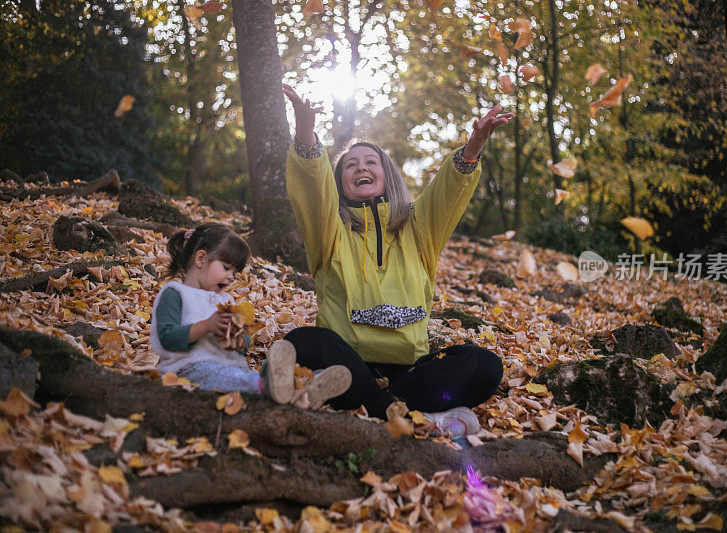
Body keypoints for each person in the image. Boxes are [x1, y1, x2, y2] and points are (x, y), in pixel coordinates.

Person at [282, 84, 513, 436]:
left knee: (484, 365)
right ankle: (408, 417)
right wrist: (305, 134)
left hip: (410, 372)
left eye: (371, 162)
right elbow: (313, 193)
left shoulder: (418, 230)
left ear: (385, 175)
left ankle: (380, 406)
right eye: (351, 165)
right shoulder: (329, 232)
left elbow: (445, 194)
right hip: (347, 360)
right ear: (339, 182)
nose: (362, 168)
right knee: (301, 343)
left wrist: (473, 147)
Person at [150, 222, 351, 407]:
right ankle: (282, 389)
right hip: (188, 370)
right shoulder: (176, 293)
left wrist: (237, 337)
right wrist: (206, 327)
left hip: (232, 367)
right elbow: (167, 338)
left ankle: (300, 385)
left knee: (249, 374)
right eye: (226, 268)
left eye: (235, 273)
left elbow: (243, 347)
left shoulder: (224, 300)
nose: (230, 277)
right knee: (231, 378)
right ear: (201, 258)